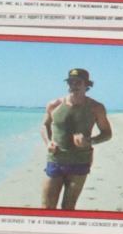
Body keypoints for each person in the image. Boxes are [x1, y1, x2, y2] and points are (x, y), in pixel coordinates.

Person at [41, 67, 112, 210]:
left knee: (68, 207)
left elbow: (107, 133)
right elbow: (45, 125)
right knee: (47, 206)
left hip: (80, 161)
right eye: (70, 82)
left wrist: (89, 141)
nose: (73, 85)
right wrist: (48, 142)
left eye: (78, 82)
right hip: (56, 159)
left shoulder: (96, 107)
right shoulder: (54, 104)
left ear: (87, 85)